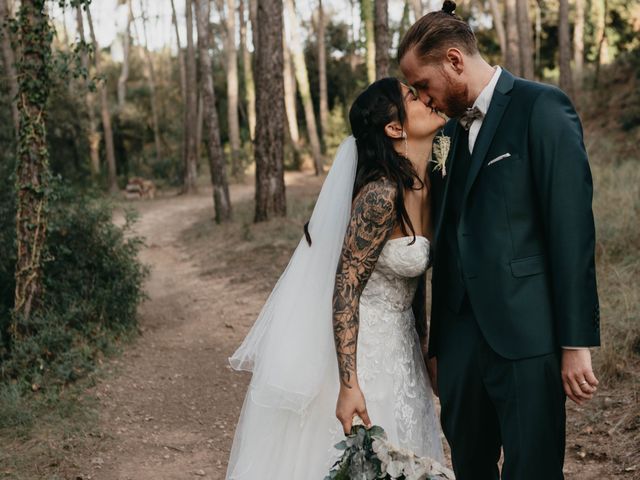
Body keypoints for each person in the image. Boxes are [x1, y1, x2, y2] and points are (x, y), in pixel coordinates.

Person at [397, 2, 601, 479]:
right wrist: (438, 347)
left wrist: (575, 343)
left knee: (533, 469)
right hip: (462, 344)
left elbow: (571, 231)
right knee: (470, 467)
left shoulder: (542, 108)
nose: (423, 99)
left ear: (453, 60)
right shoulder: (445, 133)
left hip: (528, 338)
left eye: (423, 85)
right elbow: (445, 241)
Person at [225, 77, 446, 478]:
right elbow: (345, 289)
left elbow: (411, 285)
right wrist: (348, 385)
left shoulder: (428, 183)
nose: (425, 98)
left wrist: (426, 345)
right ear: (394, 128)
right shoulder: (381, 195)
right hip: (363, 351)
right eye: (412, 96)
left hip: (403, 349)